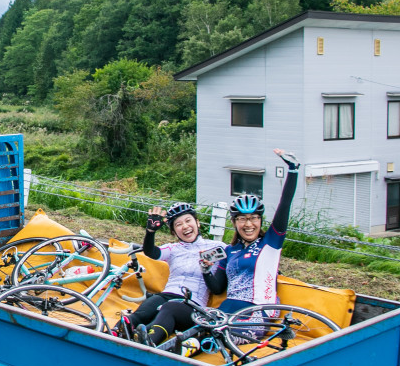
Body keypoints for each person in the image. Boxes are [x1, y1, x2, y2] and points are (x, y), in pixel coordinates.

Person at [204, 148, 300, 315]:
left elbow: (285, 204)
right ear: (234, 222)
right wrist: (205, 270)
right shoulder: (229, 251)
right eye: (242, 219)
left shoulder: (270, 243)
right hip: (228, 309)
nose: (249, 224)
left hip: (259, 310)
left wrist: (293, 170)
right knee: (196, 336)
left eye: (254, 218)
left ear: (260, 220)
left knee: (220, 337)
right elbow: (218, 289)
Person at [119, 202, 227, 346]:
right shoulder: (173, 249)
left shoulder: (216, 248)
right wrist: (150, 232)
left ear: (198, 223)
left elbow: (217, 288)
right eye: (178, 225)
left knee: (169, 308)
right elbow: (151, 252)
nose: (185, 227)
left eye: (188, 221)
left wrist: (206, 270)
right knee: (148, 307)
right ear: (174, 232)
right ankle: (114, 333)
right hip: (167, 296)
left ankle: (148, 341)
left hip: (192, 305)